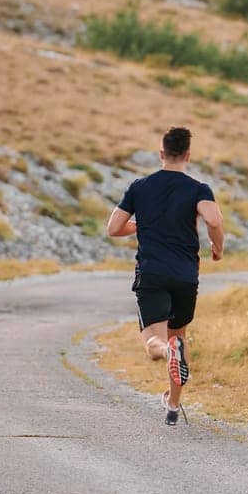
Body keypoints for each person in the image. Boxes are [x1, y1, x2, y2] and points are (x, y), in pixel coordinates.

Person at [105, 126, 225, 425]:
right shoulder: (199, 189)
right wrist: (217, 247)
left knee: (154, 344)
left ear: (161, 154)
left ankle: (166, 350)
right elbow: (212, 219)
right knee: (179, 339)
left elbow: (114, 228)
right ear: (188, 155)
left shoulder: (139, 187)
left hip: (153, 274)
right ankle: (172, 406)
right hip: (186, 277)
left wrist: (144, 226)